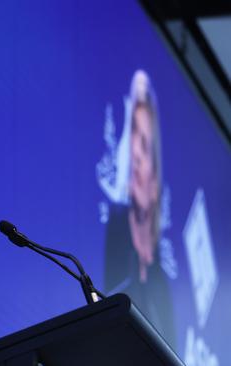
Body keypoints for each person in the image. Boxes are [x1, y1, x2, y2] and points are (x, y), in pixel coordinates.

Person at [104, 70, 175, 346]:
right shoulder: (115, 238)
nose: (134, 153)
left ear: (156, 180)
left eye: (144, 146)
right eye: (132, 135)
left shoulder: (163, 282)